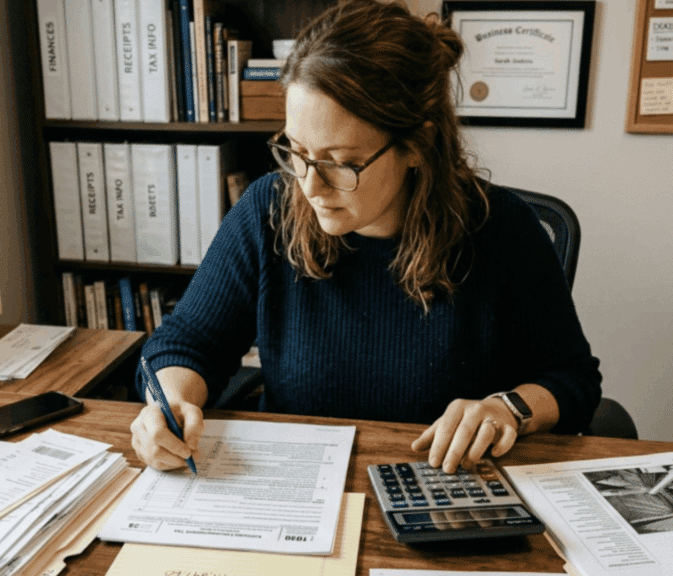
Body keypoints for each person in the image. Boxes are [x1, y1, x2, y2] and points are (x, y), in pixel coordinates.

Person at [130, 0, 601, 474]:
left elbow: (571, 379)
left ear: (416, 146)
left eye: (340, 161)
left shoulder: (502, 229)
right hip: (295, 490)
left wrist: (507, 410)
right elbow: (187, 343)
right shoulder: (267, 209)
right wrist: (169, 404)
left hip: (442, 493)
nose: (310, 186)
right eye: (296, 151)